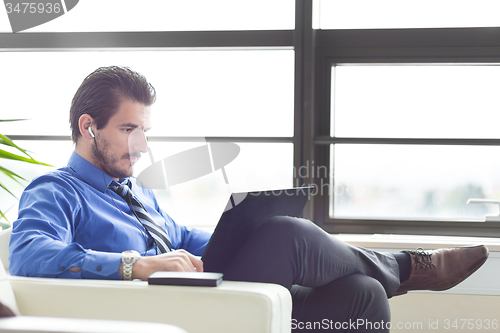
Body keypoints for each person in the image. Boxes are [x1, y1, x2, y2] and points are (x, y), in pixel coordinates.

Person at [9, 66, 489, 332]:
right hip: (162, 313)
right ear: (88, 127)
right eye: (129, 130)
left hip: (203, 298)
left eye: (145, 131)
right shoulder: (55, 191)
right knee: (286, 235)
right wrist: (135, 264)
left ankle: (389, 274)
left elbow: (180, 238)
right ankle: (408, 267)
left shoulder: (136, 193)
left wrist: (235, 235)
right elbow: (28, 255)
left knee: (361, 298)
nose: (142, 145)